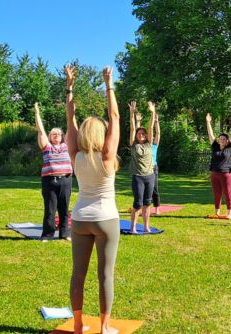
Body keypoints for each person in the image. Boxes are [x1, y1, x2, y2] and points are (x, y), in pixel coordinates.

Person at [66, 65, 121, 334]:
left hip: (80, 219)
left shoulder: (75, 155)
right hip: (106, 219)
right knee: (105, 275)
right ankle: (104, 327)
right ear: (101, 135)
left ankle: (77, 325)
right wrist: (108, 84)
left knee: (78, 274)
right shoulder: (108, 156)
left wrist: (70, 88)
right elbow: (115, 116)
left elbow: (69, 120)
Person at [35, 102, 73, 241]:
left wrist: (71, 109)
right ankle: (47, 234)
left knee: (64, 209)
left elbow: (70, 125)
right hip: (49, 181)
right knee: (50, 209)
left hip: (65, 180)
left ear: (62, 136)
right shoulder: (47, 147)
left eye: (58, 133)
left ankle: (64, 234)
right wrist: (37, 113)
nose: (56, 134)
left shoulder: (66, 146)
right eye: (53, 133)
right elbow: (41, 130)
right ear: (50, 137)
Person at [127, 101, 156, 233]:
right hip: (138, 177)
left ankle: (146, 226)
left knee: (147, 203)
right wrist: (131, 113)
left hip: (150, 176)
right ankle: (133, 227)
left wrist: (152, 112)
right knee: (138, 204)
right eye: (140, 133)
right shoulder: (134, 144)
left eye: (144, 134)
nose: (142, 135)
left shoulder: (149, 144)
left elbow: (151, 128)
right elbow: (133, 129)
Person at [205, 112, 231, 219]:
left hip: (227, 174)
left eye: (224, 139)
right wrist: (208, 122)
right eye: (221, 139)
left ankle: (229, 213)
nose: (222, 140)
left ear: (227, 141)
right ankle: (217, 212)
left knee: (227, 193)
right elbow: (210, 135)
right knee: (217, 193)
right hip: (215, 173)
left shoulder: (230, 147)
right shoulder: (215, 147)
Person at [150, 110, 162, 215]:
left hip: (153, 168)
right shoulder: (143, 146)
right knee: (145, 189)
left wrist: (156, 122)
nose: (152, 137)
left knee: (154, 188)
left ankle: (157, 209)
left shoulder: (154, 146)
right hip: (144, 168)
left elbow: (158, 133)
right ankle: (144, 208)